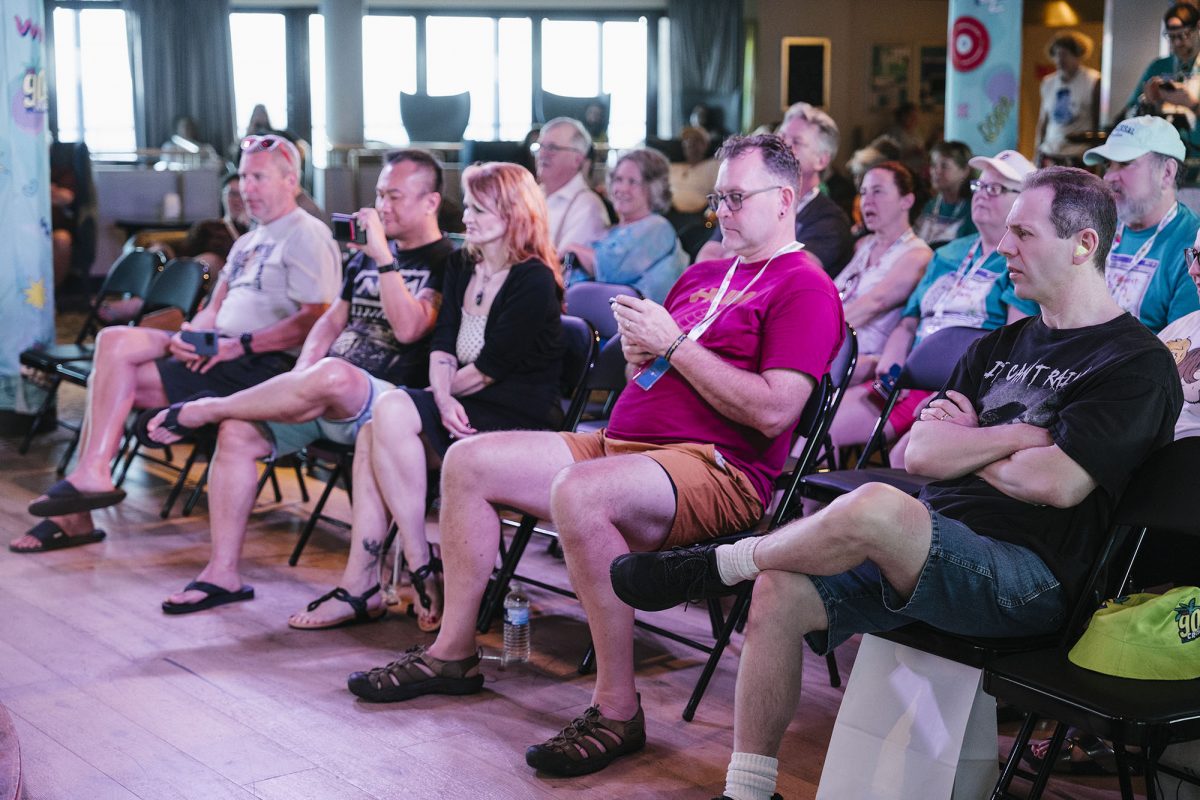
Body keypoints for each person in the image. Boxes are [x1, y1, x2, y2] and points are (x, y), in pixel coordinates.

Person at [610, 166, 1183, 800]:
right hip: (929, 544)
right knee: (779, 590)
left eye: (1024, 233)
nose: (1002, 247)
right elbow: (920, 452)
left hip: (1032, 580)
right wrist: (1021, 435)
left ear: (1083, 244)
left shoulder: (1135, 362)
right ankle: (748, 791)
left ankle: (723, 563)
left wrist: (970, 442)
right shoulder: (998, 345)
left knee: (880, 506)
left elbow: (1058, 483)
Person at [339, 134, 843, 780]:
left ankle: (617, 707)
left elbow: (775, 411)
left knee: (581, 490)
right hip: (625, 444)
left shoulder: (805, 286)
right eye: (718, 198)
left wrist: (674, 346)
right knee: (468, 461)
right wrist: (641, 357)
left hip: (716, 468)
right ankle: (453, 652)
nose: (721, 211)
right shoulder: (704, 274)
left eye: (736, 198)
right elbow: (654, 376)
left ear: (786, 200)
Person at [135, 149, 454, 615]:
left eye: (395, 196)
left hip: (388, 407)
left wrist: (384, 258)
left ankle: (206, 408)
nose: (382, 206)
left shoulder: (447, 260)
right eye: (379, 194)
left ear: (430, 202)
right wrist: (302, 373)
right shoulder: (365, 259)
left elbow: (410, 329)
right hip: (326, 395)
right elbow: (329, 323)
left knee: (333, 374)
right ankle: (222, 573)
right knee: (238, 432)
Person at [9, 134, 341, 554]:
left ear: (290, 180)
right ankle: (92, 475)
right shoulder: (249, 240)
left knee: (111, 380)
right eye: (243, 177)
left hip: (259, 364)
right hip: (217, 349)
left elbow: (316, 319)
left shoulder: (307, 235)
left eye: (258, 178)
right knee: (113, 341)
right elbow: (214, 306)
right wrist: (190, 336)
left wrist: (239, 345)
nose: (246, 189)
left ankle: (79, 504)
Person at [293, 161, 566, 632]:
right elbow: (442, 345)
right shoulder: (463, 264)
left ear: (513, 215)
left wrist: (437, 397)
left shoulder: (534, 279)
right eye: (470, 207)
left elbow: (490, 369)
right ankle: (412, 564)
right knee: (376, 429)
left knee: (388, 415)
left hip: (516, 413)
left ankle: (394, 575)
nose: (467, 218)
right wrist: (439, 398)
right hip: (459, 402)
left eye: (479, 210)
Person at [830, 150, 1039, 457]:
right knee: (824, 423)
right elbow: (909, 321)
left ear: (1022, 202)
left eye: (995, 188)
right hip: (909, 383)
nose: (982, 194)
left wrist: (961, 396)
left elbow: (1014, 343)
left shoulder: (1023, 261)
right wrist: (893, 365)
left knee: (904, 456)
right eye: (979, 186)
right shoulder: (947, 254)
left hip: (965, 389)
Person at [697, 103, 853, 277]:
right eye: (781, 136)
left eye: (797, 142)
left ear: (821, 160)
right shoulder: (749, 199)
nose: (784, 145)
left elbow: (789, 273)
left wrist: (733, 256)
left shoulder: (830, 220)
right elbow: (706, 258)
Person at [1083, 115, 1200, 332]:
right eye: (1108, 165)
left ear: (1167, 173)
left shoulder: (1193, 243)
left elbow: (1182, 344)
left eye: (1124, 163)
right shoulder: (1095, 226)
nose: (1108, 177)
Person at [832, 161, 932, 384]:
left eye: (877, 191)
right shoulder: (863, 245)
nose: (867, 200)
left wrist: (813, 332)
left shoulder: (918, 255)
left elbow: (874, 304)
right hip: (833, 344)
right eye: (863, 192)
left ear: (907, 201)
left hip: (864, 358)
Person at [563, 147, 687, 303]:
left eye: (632, 182)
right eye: (618, 179)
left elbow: (609, 269)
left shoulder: (657, 227)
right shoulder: (612, 231)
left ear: (653, 188)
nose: (622, 189)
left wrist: (572, 248)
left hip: (625, 317)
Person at [1121, 3, 1200, 158]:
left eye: (1184, 35)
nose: (1177, 43)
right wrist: (1149, 103)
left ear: (1198, 28)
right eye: (1171, 37)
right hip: (1164, 154)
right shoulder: (1159, 67)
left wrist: (1192, 104)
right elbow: (1128, 113)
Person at [533, 117, 609, 253]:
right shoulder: (531, 195)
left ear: (577, 159)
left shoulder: (587, 207)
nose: (542, 154)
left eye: (552, 148)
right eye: (540, 146)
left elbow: (561, 262)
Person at [1035, 31, 1100, 166]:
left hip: (1078, 154)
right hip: (1050, 151)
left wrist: (1094, 153)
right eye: (1056, 55)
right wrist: (1036, 152)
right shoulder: (1048, 83)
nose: (1060, 60)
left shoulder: (1093, 81)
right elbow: (1043, 120)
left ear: (1077, 55)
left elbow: (1097, 121)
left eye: (1065, 54)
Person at [914, 140, 977, 247]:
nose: (936, 171)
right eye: (933, 165)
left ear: (965, 171)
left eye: (944, 166)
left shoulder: (973, 210)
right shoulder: (929, 205)